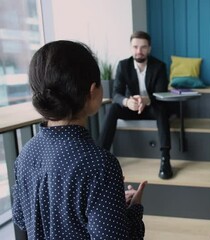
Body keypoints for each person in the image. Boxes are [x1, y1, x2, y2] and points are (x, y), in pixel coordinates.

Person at [12, 40, 147, 239]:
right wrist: (132, 211)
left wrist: (111, 206)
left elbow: (21, 218)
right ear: (93, 92)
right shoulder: (100, 165)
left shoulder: (26, 153)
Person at [99, 31, 174, 179]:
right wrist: (128, 102)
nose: (139, 51)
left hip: (152, 107)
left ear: (149, 48)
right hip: (131, 107)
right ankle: (101, 156)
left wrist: (145, 100)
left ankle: (165, 158)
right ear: (131, 48)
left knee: (162, 109)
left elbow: (161, 94)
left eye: (143, 47)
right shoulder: (123, 65)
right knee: (114, 107)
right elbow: (116, 94)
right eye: (135, 47)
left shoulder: (159, 66)